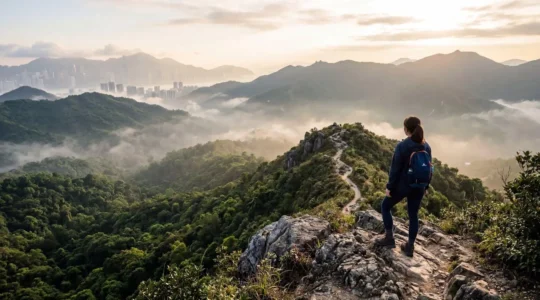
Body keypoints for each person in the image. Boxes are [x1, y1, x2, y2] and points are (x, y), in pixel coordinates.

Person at [375, 116, 432, 257]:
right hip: (419, 185)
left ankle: (389, 238)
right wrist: (426, 187)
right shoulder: (427, 146)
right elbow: (429, 169)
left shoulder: (402, 146)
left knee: (385, 206)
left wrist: (390, 187)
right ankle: (410, 247)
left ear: (406, 129)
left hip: (403, 185)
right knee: (413, 215)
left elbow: (394, 169)